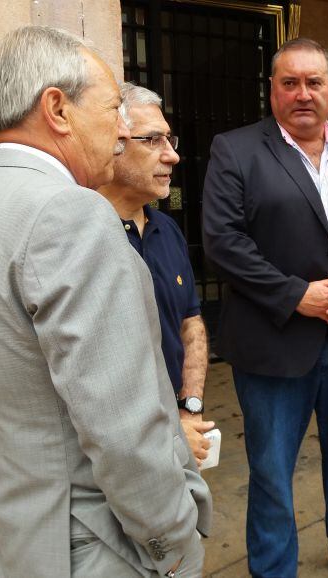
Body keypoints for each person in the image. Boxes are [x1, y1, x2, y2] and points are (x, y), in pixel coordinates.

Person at [0, 26, 211, 578]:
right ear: (57, 109)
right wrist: (172, 539)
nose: (120, 130)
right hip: (98, 542)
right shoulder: (70, 213)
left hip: (24, 532)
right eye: (112, 108)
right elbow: (122, 426)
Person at [202, 38, 328, 578]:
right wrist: (298, 295)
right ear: (272, 91)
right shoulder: (235, 149)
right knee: (270, 471)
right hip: (273, 343)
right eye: (289, 82)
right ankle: (273, 570)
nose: (303, 94)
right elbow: (223, 241)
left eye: (314, 82)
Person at [99, 83, 215, 465]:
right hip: (124, 451)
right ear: (113, 142)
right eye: (152, 140)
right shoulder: (85, 235)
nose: (173, 156)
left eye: (170, 139)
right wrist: (167, 431)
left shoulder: (168, 229)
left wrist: (190, 410)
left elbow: (191, 323)